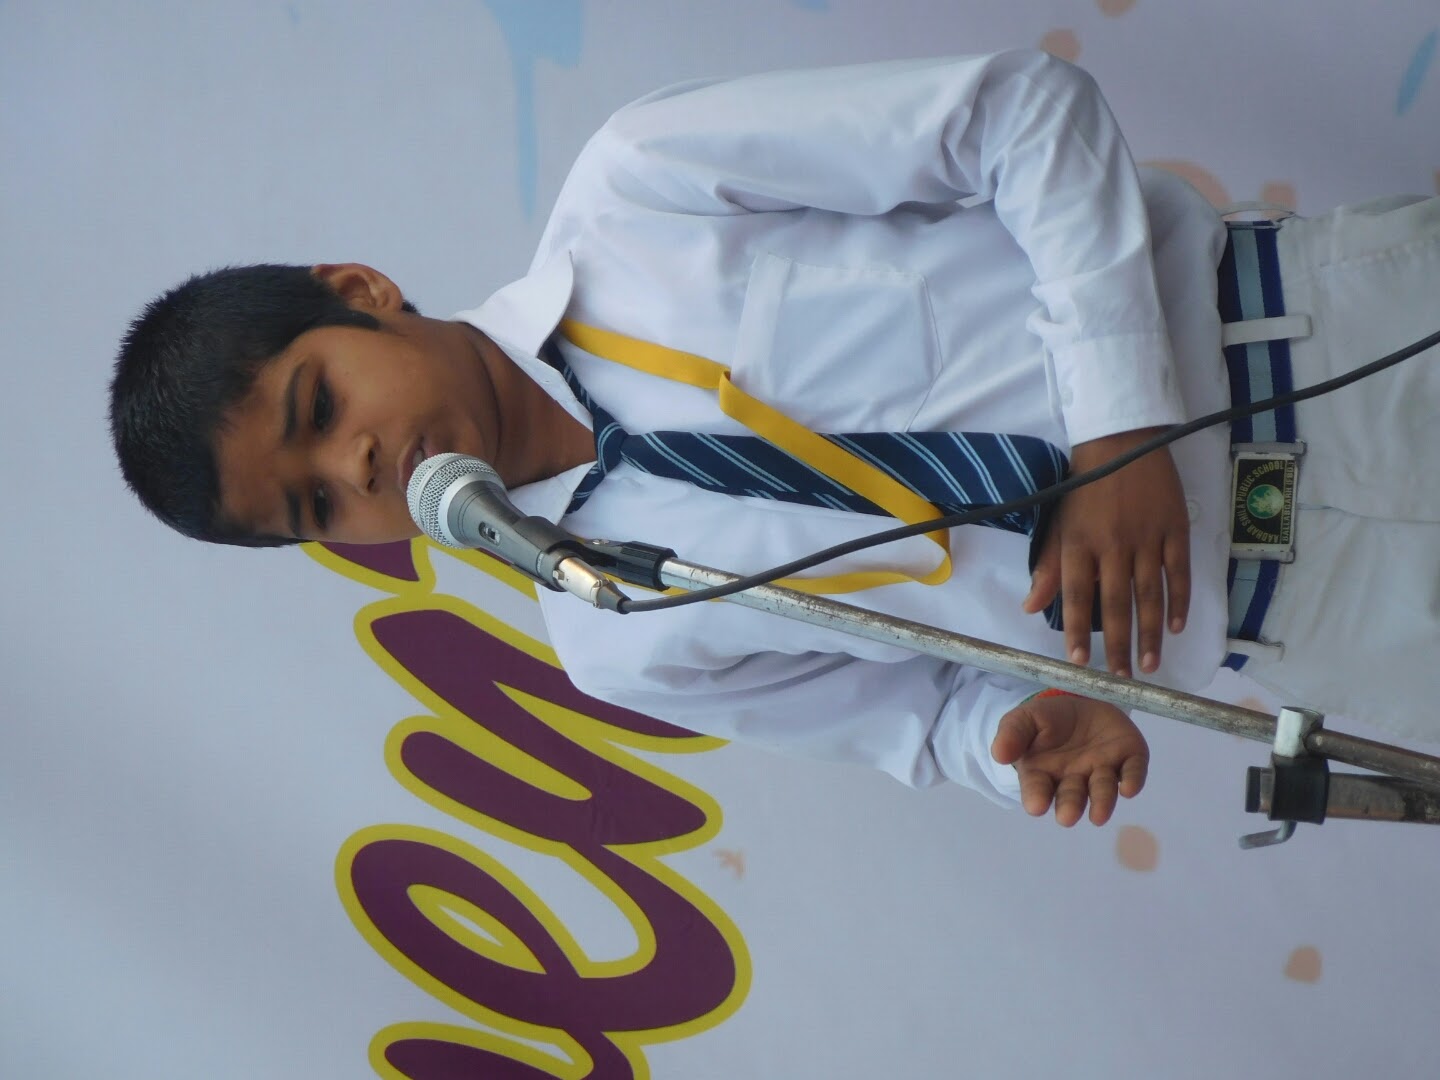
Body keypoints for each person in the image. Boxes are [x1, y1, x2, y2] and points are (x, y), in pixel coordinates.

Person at [110, 51, 1440, 827]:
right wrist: (1021, 733)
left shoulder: (638, 189)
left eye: (318, 408)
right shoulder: (611, 633)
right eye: (314, 506)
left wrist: (1117, 430)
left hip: (1329, 336)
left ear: (359, 293)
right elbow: (922, 718)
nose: (352, 468)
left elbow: (1022, 114)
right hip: (1315, 627)